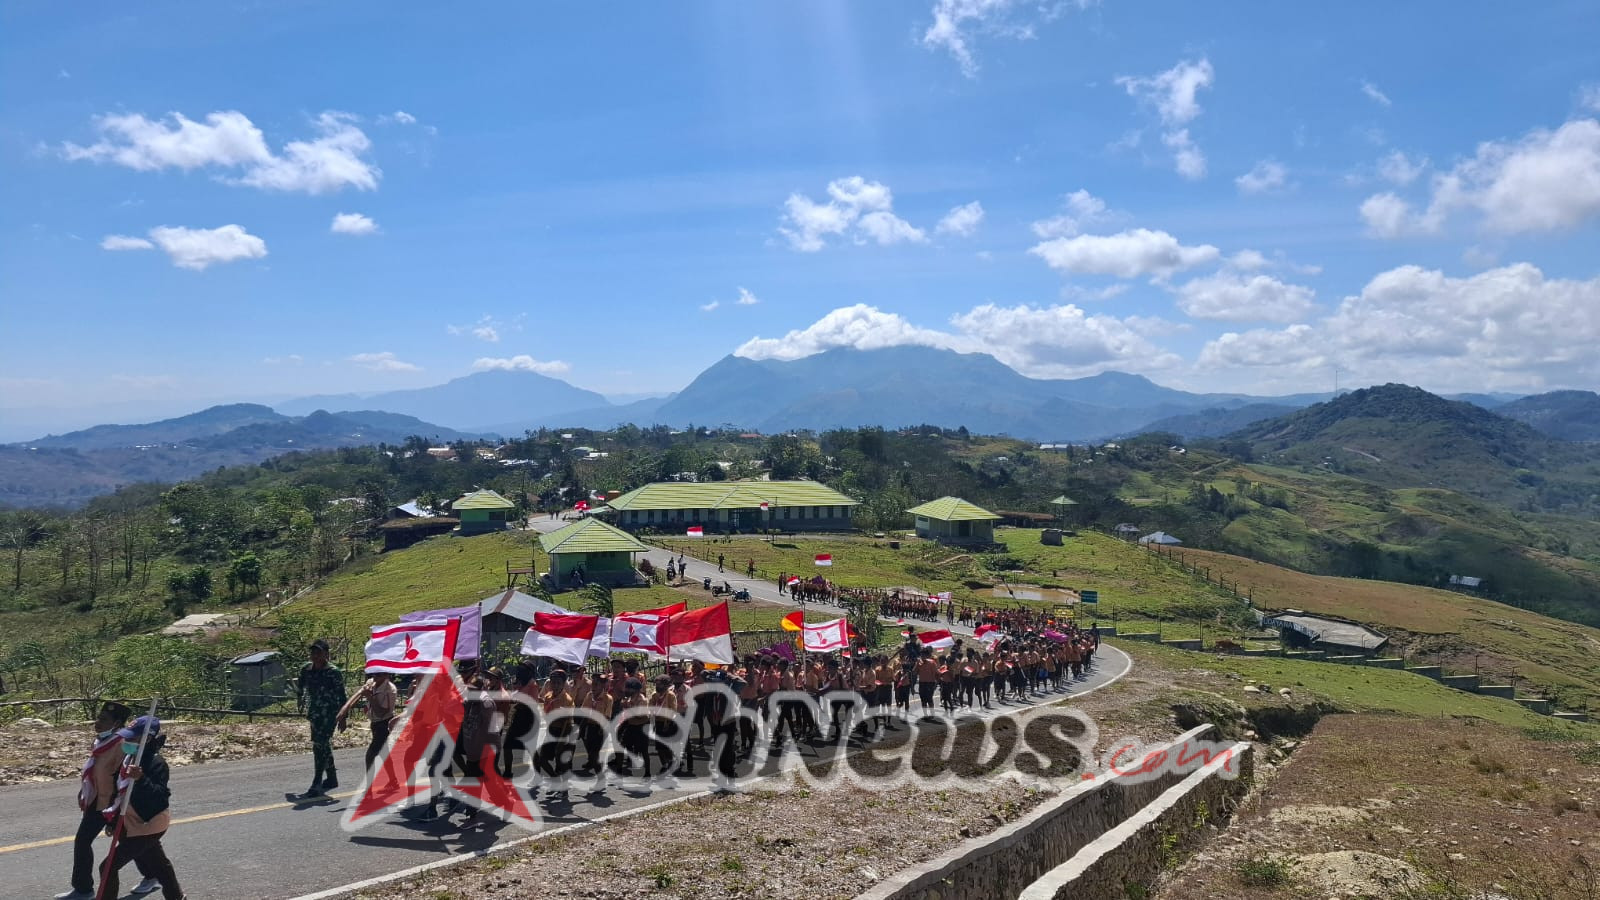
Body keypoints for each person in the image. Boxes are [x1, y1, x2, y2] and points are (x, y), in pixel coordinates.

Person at [57, 701, 139, 900]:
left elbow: (122, 776)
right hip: (96, 800)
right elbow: (94, 770)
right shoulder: (100, 742)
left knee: (136, 842)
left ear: (117, 722)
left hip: (113, 803)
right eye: (98, 718)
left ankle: (154, 874)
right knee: (83, 841)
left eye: (104, 720)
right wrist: (84, 791)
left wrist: (115, 809)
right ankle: (83, 888)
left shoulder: (121, 745)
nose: (97, 722)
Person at [97, 716, 183, 900]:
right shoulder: (129, 758)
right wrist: (112, 821)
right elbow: (119, 791)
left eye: (132, 739)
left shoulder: (156, 763)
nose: (126, 742)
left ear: (147, 739)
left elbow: (160, 798)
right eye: (126, 738)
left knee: (107, 867)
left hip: (148, 823)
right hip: (131, 822)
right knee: (160, 866)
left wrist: (141, 779)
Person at [296, 638, 347, 799]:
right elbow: (300, 686)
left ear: (326, 654)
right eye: (313, 653)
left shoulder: (333, 672)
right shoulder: (306, 669)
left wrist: (343, 717)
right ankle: (331, 778)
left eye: (319, 653)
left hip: (330, 714)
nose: (315, 656)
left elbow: (341, 696)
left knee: (320, 745)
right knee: (321, 745)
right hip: (315, 713)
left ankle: (317, 782)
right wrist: (300, 699)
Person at [336, 670, 397, 776]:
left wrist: (370, 697)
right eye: (373, 673)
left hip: (385, 724)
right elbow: (357, 695)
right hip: (374, 723)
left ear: (386, 675)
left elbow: (382, 713)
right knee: (384, 753)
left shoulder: (390, 690)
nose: (375, 676)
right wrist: (344, 712)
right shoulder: (371, 682)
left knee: (371, 754)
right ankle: (393, 780)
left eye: (378, 674)